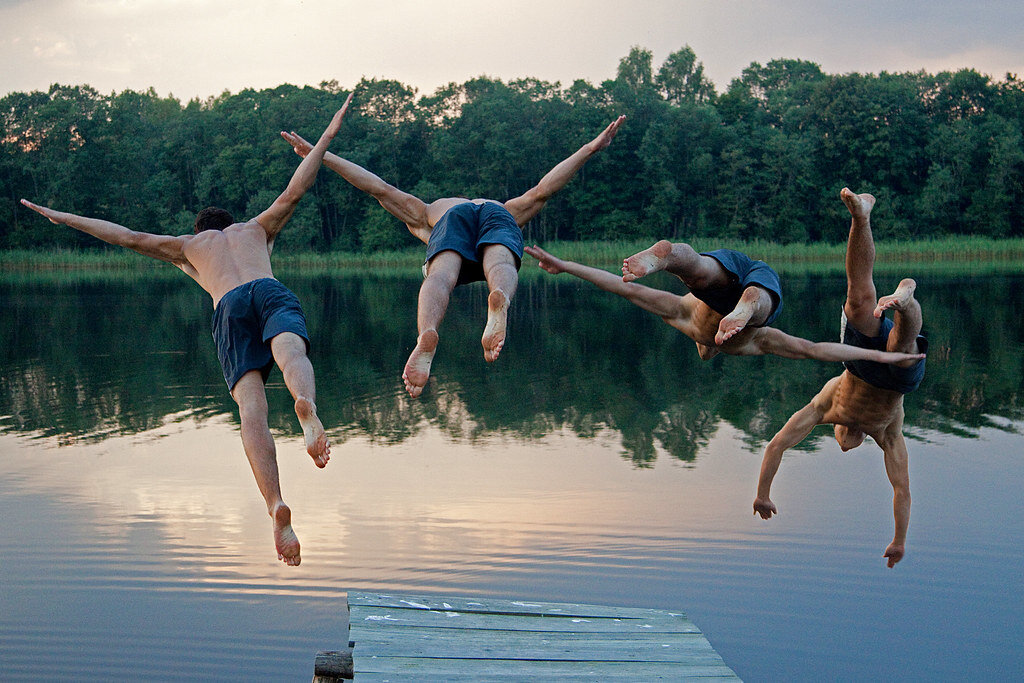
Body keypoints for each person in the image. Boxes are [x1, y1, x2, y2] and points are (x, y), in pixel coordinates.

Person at [20, 95, 353, 566]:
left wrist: (61, 216)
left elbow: (125, 235)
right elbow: (297, 187)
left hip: (230, 307)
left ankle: (275, 503)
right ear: (231, 225)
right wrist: (328, 134)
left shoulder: (189, 247)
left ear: (199, 231)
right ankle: (307, 405)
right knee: (292, 355)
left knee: (251, 411)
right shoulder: (256, 229)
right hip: (267, 288)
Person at [280, 115, 626, 398]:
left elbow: (376, 186)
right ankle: (500, 296)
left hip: (449, 223)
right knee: (502, 264)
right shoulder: (502, 208)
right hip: (498, 214)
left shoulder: (429, 212)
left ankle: (428, 332)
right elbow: (543, 189)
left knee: (439, 278)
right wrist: (591, 148)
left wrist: (319, 155)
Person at [752, 188, 926, 568]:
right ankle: (906, 299)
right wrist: (899, 540)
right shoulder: (888, 431)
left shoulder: (827, 402)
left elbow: (776, 445)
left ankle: (860, 217)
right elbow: (902, 490)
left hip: (860, 365)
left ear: (836, 430)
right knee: (903, 346)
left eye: (840, 440)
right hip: (896, 382)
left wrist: (763, 493)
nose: (845, 444)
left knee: (859, 301)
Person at [524, 242, 925, 365]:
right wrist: (564, 264)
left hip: (748, 305)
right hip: (733, 278)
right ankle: (671, 260)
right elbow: (620, 286)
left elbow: (816, 351)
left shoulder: (685, 318)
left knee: (745, 300)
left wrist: (884, 359)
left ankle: (743, 309)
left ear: (708, 346)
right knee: (695, 269)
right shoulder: (682, 315)